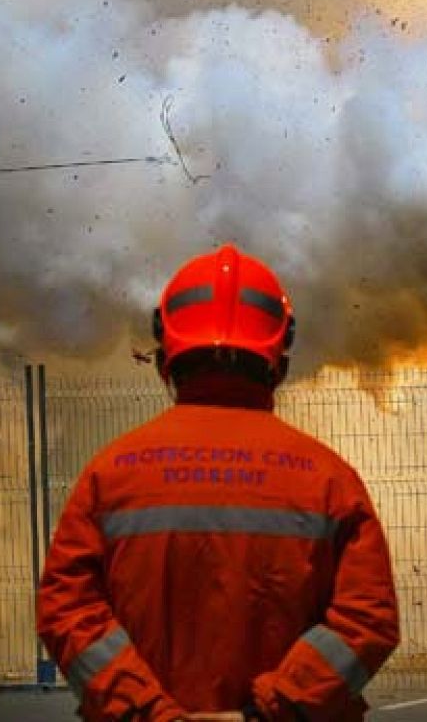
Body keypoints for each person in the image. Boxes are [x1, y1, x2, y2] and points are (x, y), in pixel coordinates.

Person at [37, 244, 400, 721]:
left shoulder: (109, 475)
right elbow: (367, 620)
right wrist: (264, 712)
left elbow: (66, 608)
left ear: (167, 357)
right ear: (280, 362)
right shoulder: (331, 481)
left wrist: (150, 713)